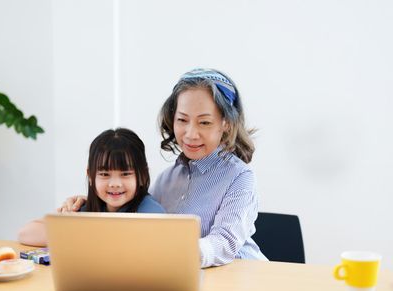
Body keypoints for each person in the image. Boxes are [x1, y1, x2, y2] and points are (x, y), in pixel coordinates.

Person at [60, 68, 267, 267]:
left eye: (204, 123)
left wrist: (171, 251)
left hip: (240, 280)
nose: (190, 134)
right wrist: (93, 204)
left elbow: (224, 243)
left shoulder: (240, 176)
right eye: (182, 120)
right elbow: (135, 212)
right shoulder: (166, 179)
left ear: (226, 123)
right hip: (185, 280)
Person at [18, 128, 164, 246]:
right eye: (105, 174)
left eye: (125, 173)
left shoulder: (151, 212)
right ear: (91, 176)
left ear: (143, 175)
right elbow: (25, 233)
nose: (114, 183)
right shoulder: (89, 207)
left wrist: (79, 233)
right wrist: (67, 224)